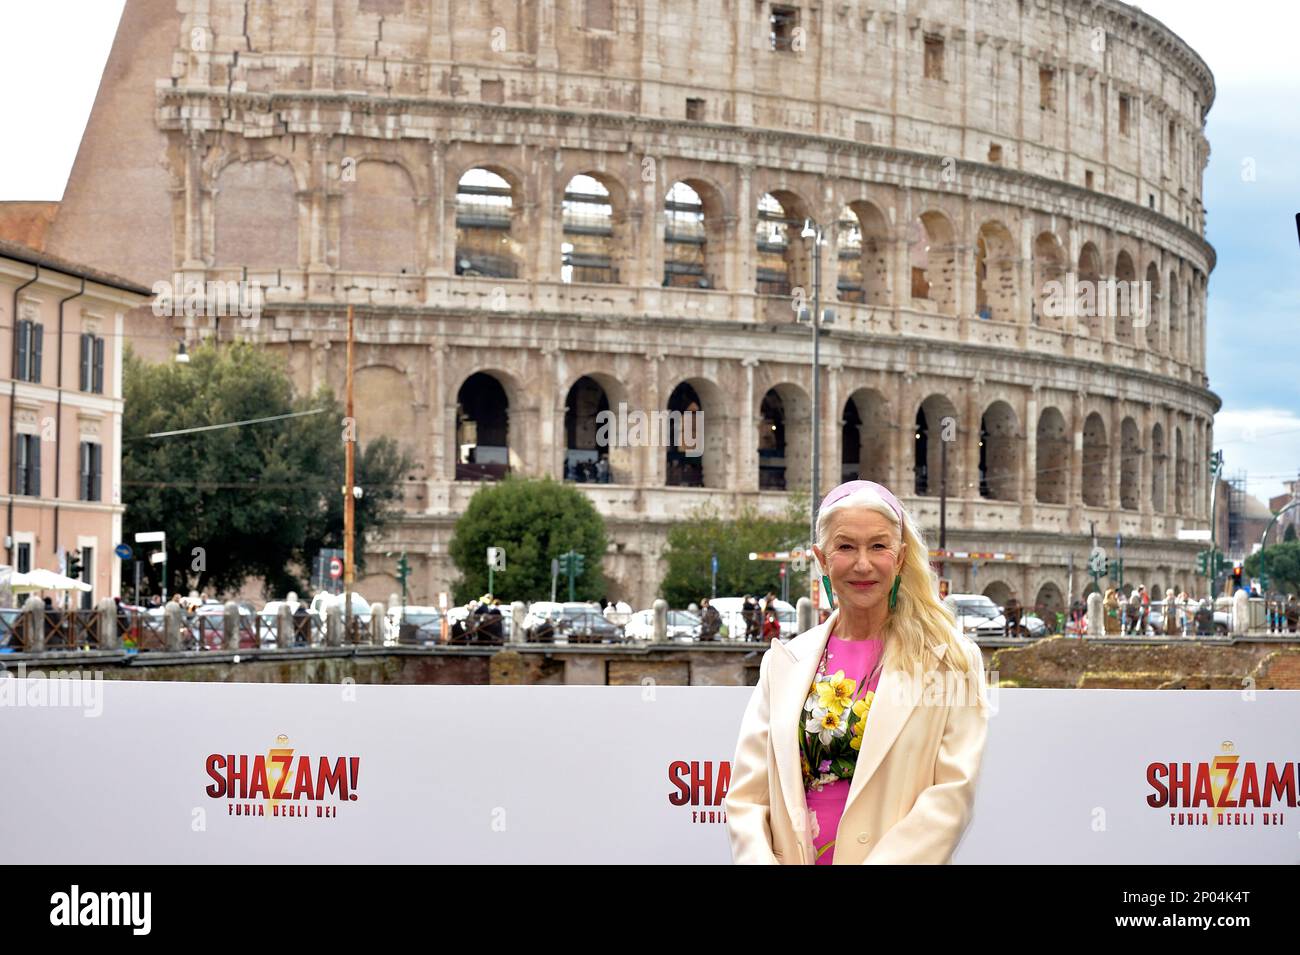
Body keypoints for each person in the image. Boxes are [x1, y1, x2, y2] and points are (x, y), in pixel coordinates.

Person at [726, 479, 989, 865]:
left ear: (899, 558)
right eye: (846, 546)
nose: (863, 564)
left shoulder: (952, 661)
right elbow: (748, 800)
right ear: (821, 559)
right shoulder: (784, 662)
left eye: (878, 546)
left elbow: (951, 797)